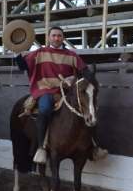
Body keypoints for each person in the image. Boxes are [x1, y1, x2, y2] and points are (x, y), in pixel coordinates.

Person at [15, 26, 107, 164]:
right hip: (45, 90)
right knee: (45, 109)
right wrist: (18, 55)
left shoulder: (71, 55)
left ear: (63, 38)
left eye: (59, 35)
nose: (56, 38)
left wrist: (89, 80)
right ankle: (41, 148)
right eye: (54, 35)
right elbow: (23, 66)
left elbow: (84, 71)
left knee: (88, 109)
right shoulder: (40, 52)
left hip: (67, 92)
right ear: (48, 37)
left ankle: (93, 146)